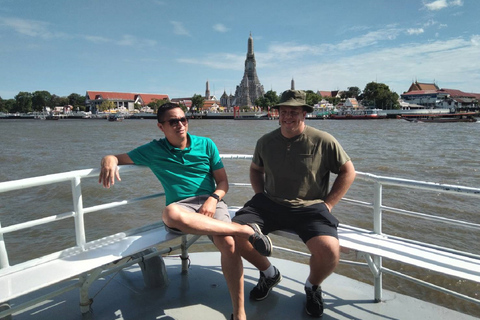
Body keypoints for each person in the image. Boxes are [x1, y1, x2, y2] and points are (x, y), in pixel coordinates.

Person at [98, 102, 272, 320]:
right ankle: (244, 230)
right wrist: (108, 159)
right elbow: (117, 157)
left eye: (183, 119)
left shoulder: (206, 144)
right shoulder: (154, 150)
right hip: (182, 208)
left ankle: (239, 313)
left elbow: (223, 182)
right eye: (173, 121)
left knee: (228, 243)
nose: (180, 124)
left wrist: (212, 200)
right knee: (170, 213)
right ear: (161, 127)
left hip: (212, 202)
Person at [232, 90, 356, 318]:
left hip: (310, 207)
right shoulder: (265, 141)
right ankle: (269, 273)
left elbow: (348, 171)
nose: (288, 116)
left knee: (330, 251)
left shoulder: (323, 140)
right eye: (284, 111)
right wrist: (259, 195)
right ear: (277, 114)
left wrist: (328, 204)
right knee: (233, 234)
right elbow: (255, 169)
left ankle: (312, 286)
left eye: (294, 112)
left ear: (304, 114)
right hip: (269, 203)